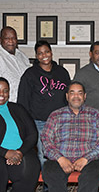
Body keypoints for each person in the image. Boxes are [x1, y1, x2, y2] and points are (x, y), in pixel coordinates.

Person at [17, 40, 71, 170]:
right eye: (40, 53)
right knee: (44, 155)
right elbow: (23, 100)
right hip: (39, 122)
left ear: (51, 53)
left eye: (46, 51)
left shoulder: (62, 72)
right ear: (36, 56)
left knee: (62, 154)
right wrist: (26, 123)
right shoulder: (30, 74)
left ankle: (60, 185)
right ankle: (48, 188)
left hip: (60, 122)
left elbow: (68, 97)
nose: (44, 55)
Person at [0, 26, 30, 102]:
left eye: (13, 38)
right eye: (7, 38)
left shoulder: (22, 57)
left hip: (23, 107)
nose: (11, 41)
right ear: (0, 39)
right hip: (4, 109)